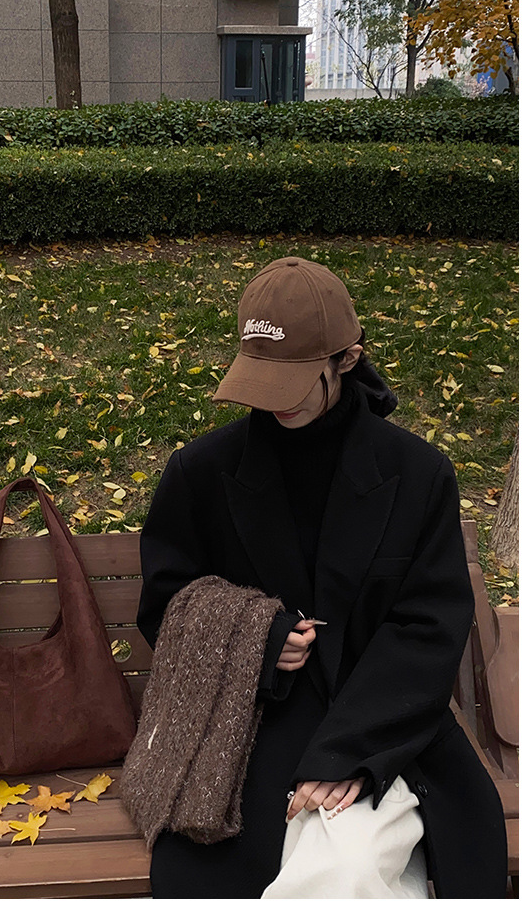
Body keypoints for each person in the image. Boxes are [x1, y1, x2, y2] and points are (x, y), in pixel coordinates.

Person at [136, 256, 507, 899]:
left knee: (349, 868)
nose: (272, 401)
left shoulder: (418, 474)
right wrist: (256, 637)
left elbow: (428, 627)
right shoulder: (201, 472)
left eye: (292, 380)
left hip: (386, 725)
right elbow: (166, 603)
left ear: (347, 359)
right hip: (242, 735)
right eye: (260, 379)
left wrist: (351, 753)